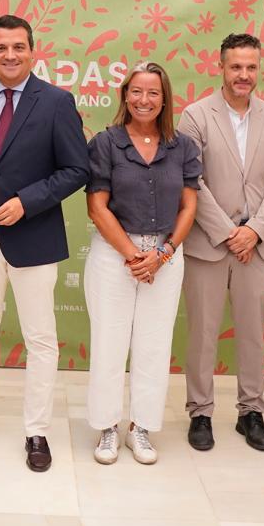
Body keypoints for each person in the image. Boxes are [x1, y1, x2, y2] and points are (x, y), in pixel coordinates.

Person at [0, 14, 90, 472]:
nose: (10, 55)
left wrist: (27, 202)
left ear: (33, 50)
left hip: (34, 236)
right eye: (1, 47)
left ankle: (37, 431)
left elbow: (76, 169)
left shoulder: (57, 102)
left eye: (18, 47)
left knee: (41, 338)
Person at [177, 32, 264, 452]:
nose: (244, 75)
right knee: (203, 334)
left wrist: (254, 231)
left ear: (258, 69)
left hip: (257, 248)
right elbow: (193, 179)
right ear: (220, 67)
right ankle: (201, 412)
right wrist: (229, 232)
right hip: (209, 244)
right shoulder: (195, 115)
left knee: (252, 333)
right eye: (236, 67)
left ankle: (251, 412)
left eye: (251, 67)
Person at [84, 61, 199, 465]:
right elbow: (97, 207)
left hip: (166, 257)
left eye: (152, 93)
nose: (143, 100)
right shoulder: (106, 143)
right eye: (136, 91)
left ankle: (142, 428)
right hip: (115, 256)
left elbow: (189, 206)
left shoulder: (182, 146)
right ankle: (108, 428)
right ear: (124, 96)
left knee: (153, 344)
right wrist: (134, 257)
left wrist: (162, 254)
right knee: (109, 343)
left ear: (165, 99)